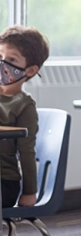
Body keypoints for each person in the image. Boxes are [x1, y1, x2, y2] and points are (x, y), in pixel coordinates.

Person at [0, 26, 49, 208]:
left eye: (11, 59)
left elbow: (27, 151)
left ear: (29, 70)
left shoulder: (24, 106)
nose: (3, 64)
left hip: (4, 182)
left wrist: (30, 192)